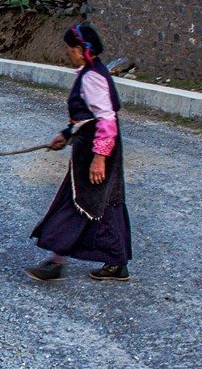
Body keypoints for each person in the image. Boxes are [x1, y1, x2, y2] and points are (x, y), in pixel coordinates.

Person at [25, 23, 132, 282]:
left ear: (82, 49)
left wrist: (99, 157)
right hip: (95, 145)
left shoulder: (93, 77)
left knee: (78, 202)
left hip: (96, 149)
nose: (67, 52)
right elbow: (86, 117)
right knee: (105, 202)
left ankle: (56, 261)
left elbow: (106, 119)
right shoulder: (90, 72)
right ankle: (116, 262)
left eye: (70, 48)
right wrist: (65, 134)